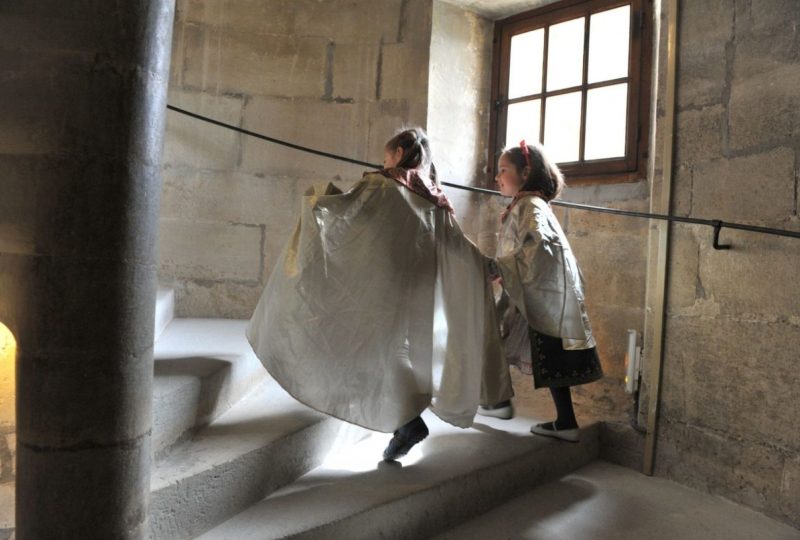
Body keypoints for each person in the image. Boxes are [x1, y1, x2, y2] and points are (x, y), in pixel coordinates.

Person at [246, 127, 513, 461]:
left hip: (379, 286)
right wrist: (487, 266)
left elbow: (346, 216)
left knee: (356, 343)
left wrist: (319, 199)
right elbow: (458, 245)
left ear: (400, 153)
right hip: (417, 289)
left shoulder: (382, 185)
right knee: (396, 351)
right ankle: (406, 419)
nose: (384, 162)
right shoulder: (436, 198)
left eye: (387, 156)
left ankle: (406, 421)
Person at [489, 140, 603, 443]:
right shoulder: (530, 205)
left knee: (514, 341)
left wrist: (499, 267)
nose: (497, 177)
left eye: (503, 170)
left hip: (540, 292)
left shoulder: (529, 205)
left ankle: (504, 403)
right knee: (538, 350)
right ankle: (560, 419)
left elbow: (537, 246)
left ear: (525, 173)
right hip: (541, 290)